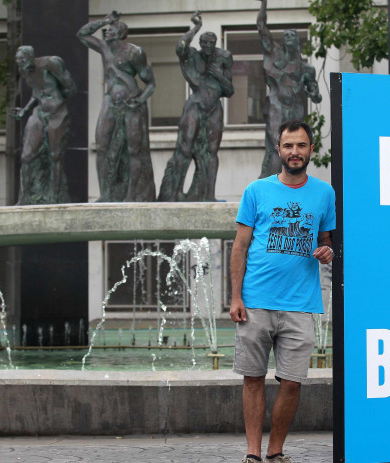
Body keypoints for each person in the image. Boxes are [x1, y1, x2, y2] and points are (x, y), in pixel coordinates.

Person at [230, 119, 335, 463]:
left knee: (292, 383)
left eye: (301, 146)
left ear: (310, 151)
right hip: (256, 301)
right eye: (288, 146)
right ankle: (252, 453)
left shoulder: (324, 193)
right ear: (279, 150)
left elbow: (326, 242)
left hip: (300, 304)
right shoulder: (256, 191)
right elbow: (240, 247)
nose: (295, 152)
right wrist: (235, 298)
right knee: (253, 379)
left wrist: (328, 251)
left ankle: (275, 451)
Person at [77, 10, 156, 202]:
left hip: (131, 104)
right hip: (110, 102)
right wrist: (103, 20)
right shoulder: (104, 48)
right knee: (102, 146)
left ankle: (131, 195)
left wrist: (139, 100)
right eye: (107, 30)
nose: (107, 32)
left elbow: (151, 83)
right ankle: (106, 193)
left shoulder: (134, 52)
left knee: (133, 150)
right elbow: (81, 34)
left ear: (120, 34)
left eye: (111, 30)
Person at [158, 11, 234, 202]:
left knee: (211, 152)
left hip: (214, 108)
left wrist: (219, 76)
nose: (208, 46)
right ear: (200, 44)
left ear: (216, 43)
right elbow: (180, 47)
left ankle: (209, 196)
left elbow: (230, 90)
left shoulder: (224, 58)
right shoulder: (193, 56)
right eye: (204, 42)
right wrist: (196, 27)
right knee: (185, 149)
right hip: (196, 105)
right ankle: (174, 194)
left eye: (211, 42)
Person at [257, 0, 323, 179]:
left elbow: (316, 97)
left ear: (297, 41)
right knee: (275, 146)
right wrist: (263, 4)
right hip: (276, 106)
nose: (289, 39)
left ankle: (291, 182)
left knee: (294, 147)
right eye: (286, 36)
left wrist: (311, 89)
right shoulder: (275, 54)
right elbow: (262, 28)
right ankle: (269, 184)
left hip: (295, 110)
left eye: (292, 36)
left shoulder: (306, 68)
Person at [10, 45, 76, 205]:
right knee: (26, 156)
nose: (20, 63)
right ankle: (23, 198)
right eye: (18, 61)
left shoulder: (51, 63)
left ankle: (54, 197)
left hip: (57, 113)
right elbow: (36, 92)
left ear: (31, 57)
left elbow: (71, 88)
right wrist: (25, 111)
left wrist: (57, 101)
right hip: (39, 113)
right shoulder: (23, 71)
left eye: (22, 59)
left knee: (55, 156)